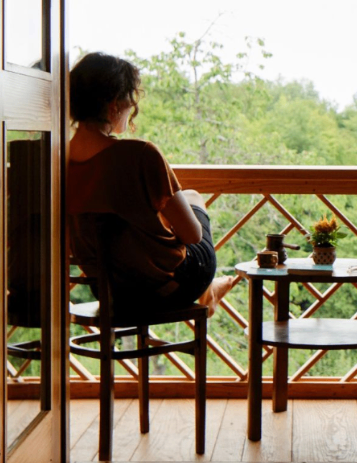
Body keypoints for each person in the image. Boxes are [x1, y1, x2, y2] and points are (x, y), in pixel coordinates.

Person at [65, 51, 238, 316]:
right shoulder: (140, 155)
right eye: (131, 99)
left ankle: (208, 290)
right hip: (168, 289)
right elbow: (193, 236)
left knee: (148, 220)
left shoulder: (58, 161)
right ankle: (207, 290)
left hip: (112, 291)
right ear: (114, 104)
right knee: (192, 198)